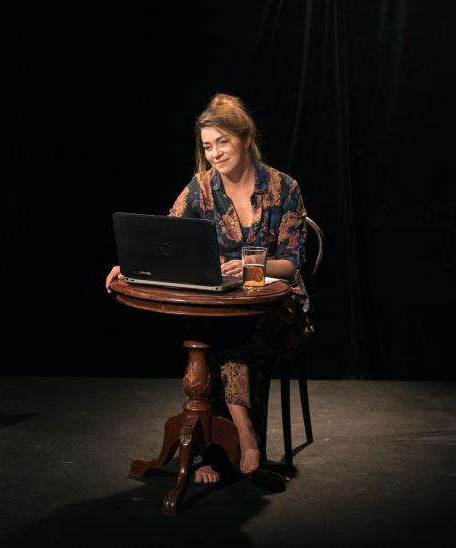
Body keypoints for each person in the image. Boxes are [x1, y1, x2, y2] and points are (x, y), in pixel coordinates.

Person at [105, 94, 308, 483]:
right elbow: (165, 239)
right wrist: (130, 267)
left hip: (275, 303)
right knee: (210, 328)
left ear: (244, 138)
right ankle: (231, 439)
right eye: (208, 146)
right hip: (219, 300)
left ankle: (222, 444)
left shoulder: (283, 188)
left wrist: (252, 265)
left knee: (224, 337)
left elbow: (291, 263)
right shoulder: (201, 188)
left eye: (222, 142)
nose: (215, 153)